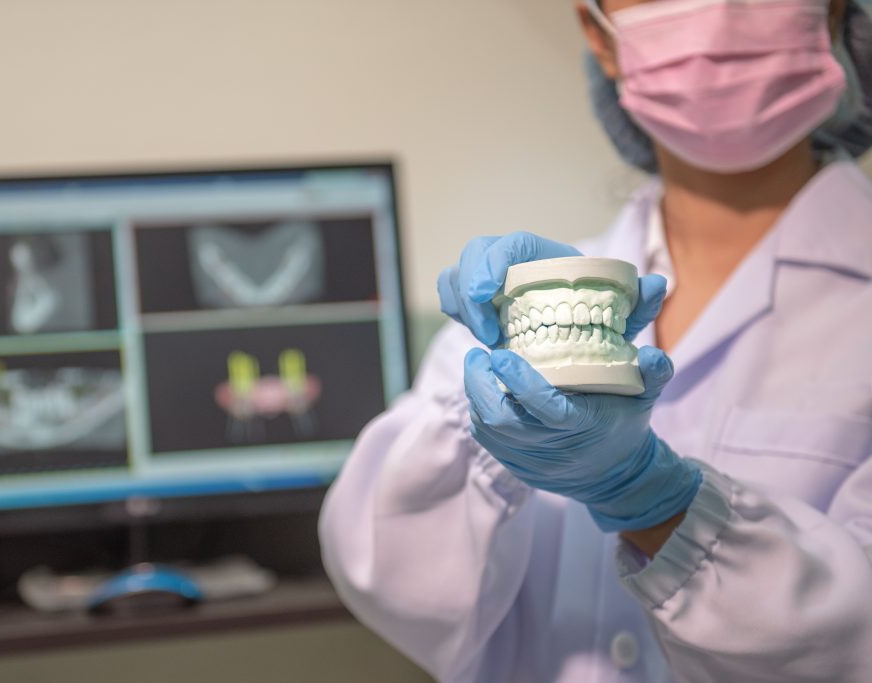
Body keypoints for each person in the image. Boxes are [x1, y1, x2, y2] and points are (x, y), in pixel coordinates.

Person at [319, 0, 872, 681]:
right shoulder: (515, 316)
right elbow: (381, 572)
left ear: (834, 12)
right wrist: (494, 434)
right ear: (599, 33)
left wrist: (659, 504)